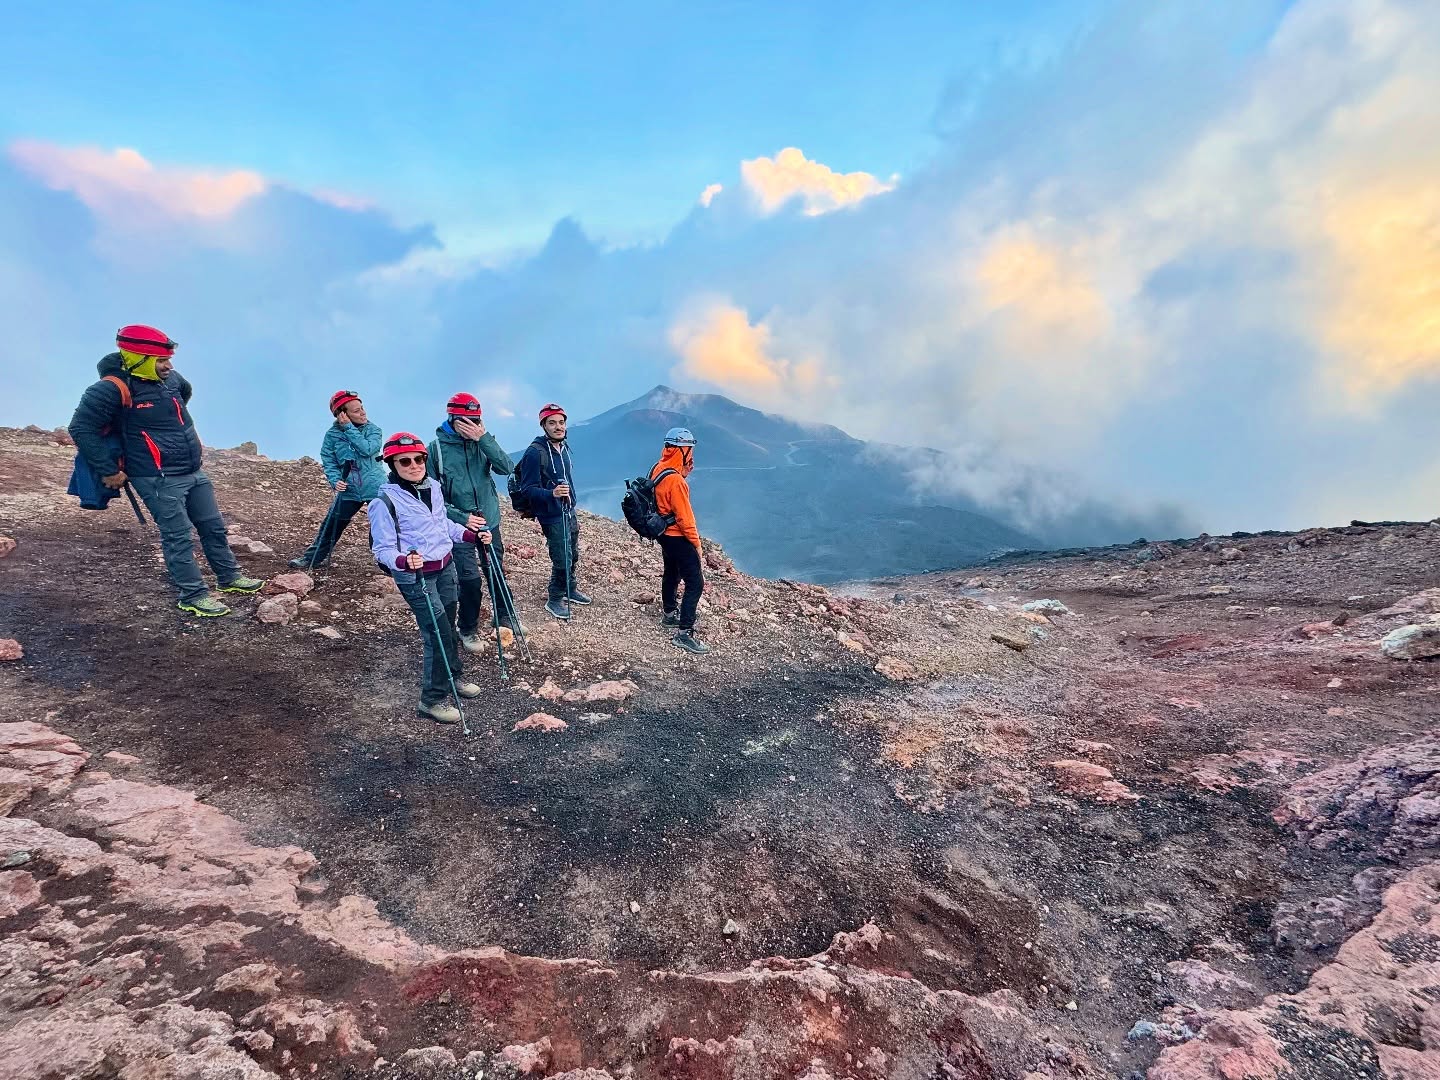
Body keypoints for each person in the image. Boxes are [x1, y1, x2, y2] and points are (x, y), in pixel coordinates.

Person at [68, 325, 264, 617]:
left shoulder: (171, 380)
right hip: (155, 476)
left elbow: (185, 393)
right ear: (138, 358)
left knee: (213, 526)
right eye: (161, 361)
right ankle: (193, 594)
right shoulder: (110, 389)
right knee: (179, 535)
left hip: (192, 470)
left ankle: (229, 577)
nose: (169, 366)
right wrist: (109, 470)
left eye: (169, 359)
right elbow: (81, 429)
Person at [368, 433, 488, 725]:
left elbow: (442, 525)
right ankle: (431, 700)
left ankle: (452, 676)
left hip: (445, 567)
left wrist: (470, 536)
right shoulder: (384, 503)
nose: (414, 465)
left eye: (419, 459)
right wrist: (402, 561)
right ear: (392, 465)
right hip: (416, 576)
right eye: (404, 461)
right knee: (437, 633)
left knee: (447, 624)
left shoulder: (433, 487)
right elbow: (381, 549)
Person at [427, 393, 521, 650]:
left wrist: (483, 439)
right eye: (467, 419)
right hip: (460, 527)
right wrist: (461, 517)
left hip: (489, 519)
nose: (473, 424)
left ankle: (505, 617)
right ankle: (467, 628)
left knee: (496, 570)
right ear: (452, 419)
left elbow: (506, 467)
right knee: (469, 579)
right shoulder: (435, 451)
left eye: (477, 419)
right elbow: (432, 498)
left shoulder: (482, 441)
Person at [288, 390, 384, 569]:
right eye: (356, 411)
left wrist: (349, 428)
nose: (363, 412)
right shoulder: (331, 436)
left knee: (382, 526)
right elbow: (329, 460)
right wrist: (335, 480)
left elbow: (368, 449)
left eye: (362, 408)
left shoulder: (373, 430)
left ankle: (387, 564)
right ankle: (311, 559)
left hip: (375, 486)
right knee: (332, 524)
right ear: (342, 414)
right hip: (349, 488)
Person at [517, 403, 590, 620]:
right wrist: (552, 494)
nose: (558, 427)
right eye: (552, 423)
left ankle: (569, 588)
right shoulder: (534, 453)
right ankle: (555, 598)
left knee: (573, 553)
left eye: (561, 422)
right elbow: (527, 489)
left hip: (569, 509)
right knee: (562, 557)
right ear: (543, 426)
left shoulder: (564, 447)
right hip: (551, 513)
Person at [651, 427, 709, 654]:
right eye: (689, 449)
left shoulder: (659, 468)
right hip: (678, 537)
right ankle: (684, 633)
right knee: (695, 583)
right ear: (682, 450)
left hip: (664, 535)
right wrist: (696, 544)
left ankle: (669, 615)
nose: (691, 454)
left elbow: (662, 498)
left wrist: (683, 472)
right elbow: (685, 519)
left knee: (672, 573)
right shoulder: (676, 482)